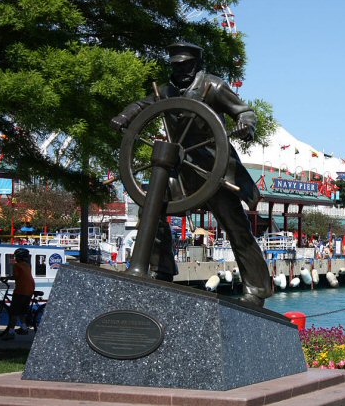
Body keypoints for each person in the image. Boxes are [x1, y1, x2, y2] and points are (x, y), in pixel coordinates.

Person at [111, 42, 271, 307]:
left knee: (236, 227)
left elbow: (245, 112)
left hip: (215, 168)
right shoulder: (166, 91)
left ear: (196, 65)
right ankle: (161, 271)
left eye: (185, 65)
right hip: (181, 169)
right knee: (149, 210)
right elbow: (144, 105)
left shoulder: (214, 87)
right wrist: (125, 115)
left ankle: (257, 290)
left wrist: (246, 125)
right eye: (176, 65)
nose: (181, 70)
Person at [2, 248, 35, 340]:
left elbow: (16, 276)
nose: (15, 258)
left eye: (16, 256)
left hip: (21, 291)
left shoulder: (17, 265)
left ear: (18, 257)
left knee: (14, 312)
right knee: (22, 311)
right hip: (30, 289)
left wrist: (6, 278)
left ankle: (11, 333)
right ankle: (24, 328)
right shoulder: (28, 265)